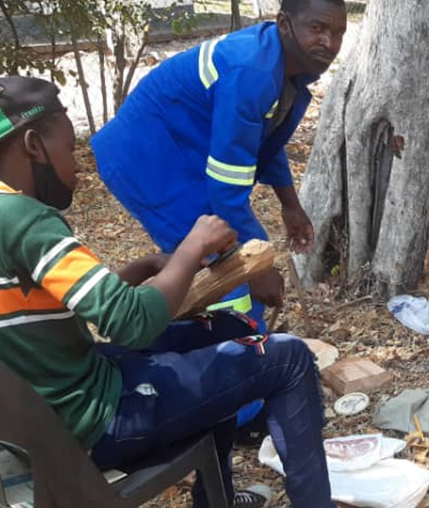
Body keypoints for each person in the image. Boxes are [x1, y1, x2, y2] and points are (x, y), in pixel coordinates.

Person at [0, 77, 396, 508]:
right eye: (70, 148)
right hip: (83, 429)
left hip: (21, 422)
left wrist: (139, 268)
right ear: (34, 144)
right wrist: (191, 249)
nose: (79, 164)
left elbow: (35, 309)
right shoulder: (25, 220)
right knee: (291, 358)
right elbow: (132, 323)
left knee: (222, 329)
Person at [91, 0, 348, 329]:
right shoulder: (252, 72)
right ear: (284, 23)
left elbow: (264, 140)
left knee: (215, 257)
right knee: (217, 259)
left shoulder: (288, 68)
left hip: (179, 155)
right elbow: (226, 190)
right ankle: (235, 351)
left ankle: (227, 343)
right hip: (148, 159)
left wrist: (290, 205)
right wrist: (255, 265)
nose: (330, 42)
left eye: (338, 32)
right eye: (317, 29)